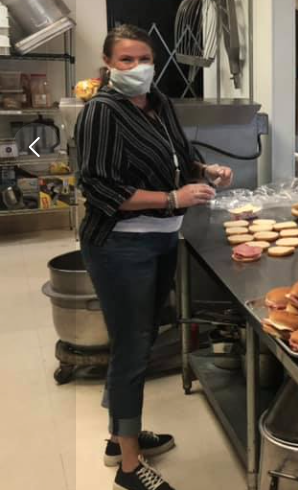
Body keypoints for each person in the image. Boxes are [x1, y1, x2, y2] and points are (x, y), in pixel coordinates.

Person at [75, 25, 234, 490]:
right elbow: (98, 188)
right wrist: (171, 199)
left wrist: (205, 170)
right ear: (108, 64)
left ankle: (118, 437)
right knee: (132, 347)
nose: (138, 67)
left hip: (162, 239)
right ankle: (129, 468)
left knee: (139, 341)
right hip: (120, 246)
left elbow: (180, 157)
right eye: (126, 59)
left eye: (145, 58)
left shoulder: (159, 102)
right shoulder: (102, 111)